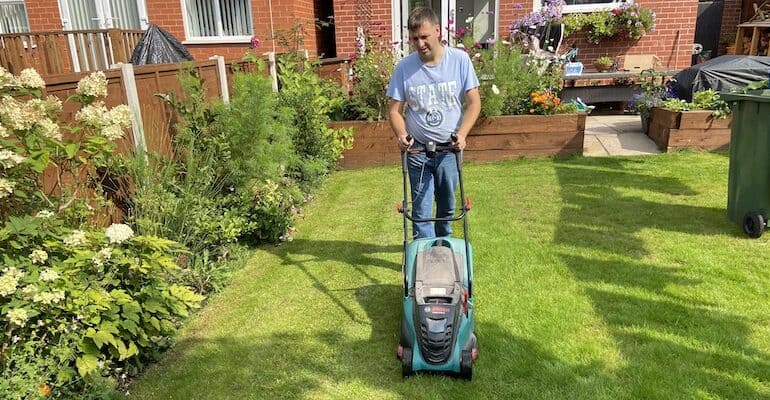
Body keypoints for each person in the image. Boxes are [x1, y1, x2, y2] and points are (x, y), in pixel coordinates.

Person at [386, 7, 481, 240]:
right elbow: (394, 110)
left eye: (424, 37)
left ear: (437, 31)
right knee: (421, 209)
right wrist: (401, 135)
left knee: (448, 204)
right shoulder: (404, 68)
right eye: (414, 38)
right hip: (417, 149)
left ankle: (444, 244)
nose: (420, 44)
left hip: (449, 148)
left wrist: (463, 134)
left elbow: (474, 103)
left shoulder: (459, 60)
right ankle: (425, 251)